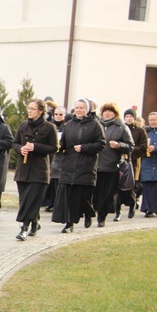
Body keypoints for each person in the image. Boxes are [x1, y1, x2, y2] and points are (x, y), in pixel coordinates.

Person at [52, 98, 105, 233]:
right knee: (70, 196)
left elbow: (101, 144)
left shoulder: (95, 125)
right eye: (77, 108)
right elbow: (63, 143)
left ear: (87, 110)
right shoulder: (68, 125)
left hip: (86, 165)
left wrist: (84, 148)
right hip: (69, 164)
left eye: (81, 107)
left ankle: (88, 212)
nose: (79, 110)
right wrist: (58, 146)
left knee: (83, 196)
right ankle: (69, 224)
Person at [13, 98, 58, 240]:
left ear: (40, 111)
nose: (30, 111)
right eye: (29, 108)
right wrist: (21, 149)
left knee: (31, 199)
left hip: (39, 171)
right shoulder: (23, 125)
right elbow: (14, 143)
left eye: (33, 108)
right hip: (23, 169)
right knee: (24, 199)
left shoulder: (49, 127)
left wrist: (36, 147)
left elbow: (54, 148)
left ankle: (24, 227)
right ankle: (35, 220)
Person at [93, 102, 133, 227]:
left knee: (108, 194)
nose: (107, 113)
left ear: (115, 113)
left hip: (112, 166)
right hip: (96, 165)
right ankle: (95, 212)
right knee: (96, 193)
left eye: (110, 111)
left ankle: (102, 216)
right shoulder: (96, 125)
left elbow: (130, 146)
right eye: (105, 111)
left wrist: (119, 145)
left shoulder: (121, 127)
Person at [115, 109, 148, 220]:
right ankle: (118, 211)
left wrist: (130, 152)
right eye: (127, 116)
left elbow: (143, 147)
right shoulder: (121, 129)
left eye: (130, 116)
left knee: (131, 186)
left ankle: (132, 204)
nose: (128, 119)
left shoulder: (140, 131)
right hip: (120, 161)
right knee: (118, 186)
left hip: (133, 163)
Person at [44, 106, 67, 213]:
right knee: (50, 182)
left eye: (61, 114)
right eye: (56, 114)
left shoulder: (66, 127)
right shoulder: (49, 126)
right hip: (50, 156)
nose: (58, 116)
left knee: (57, 182)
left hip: (60, 157)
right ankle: (50, 202)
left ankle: (57, 203)